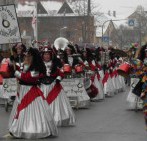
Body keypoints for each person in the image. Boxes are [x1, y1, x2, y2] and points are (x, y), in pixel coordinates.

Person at [9, 47, 58, 139]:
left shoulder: (36, 67)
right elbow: (20, 71)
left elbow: (29, 78)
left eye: (28, 55)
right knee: (20, 109)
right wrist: (12, 65)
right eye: (25, 55)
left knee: (27, 109)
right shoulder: (26, 64)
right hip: (23, 90)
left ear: (33, 56)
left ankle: (32, 129)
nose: (26, 57)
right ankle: (18, 128)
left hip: (31, 90)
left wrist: (17, 74)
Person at [40, 45, 76, 126]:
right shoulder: (39, 64)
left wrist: (58, 78)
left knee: (55, 105)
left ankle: (55, 119)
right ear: (42, 55)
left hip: (54, 86)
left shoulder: (55, 63)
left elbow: (61, 72)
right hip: (42, 86)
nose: (46, 56)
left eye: (48, 54)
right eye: (45, 54)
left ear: (51, 55)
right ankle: (44, 120)